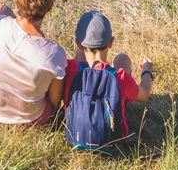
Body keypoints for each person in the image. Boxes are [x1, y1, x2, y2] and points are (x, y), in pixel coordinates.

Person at [64, 9, 153, 151]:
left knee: (81, 59)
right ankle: (121, 100)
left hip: (74, 137)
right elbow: (145, 95)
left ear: (78, 44)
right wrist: (147, 70)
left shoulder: (69, 68)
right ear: (111, 43)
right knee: (122, 58)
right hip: (112, 140)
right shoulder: (119, 76)